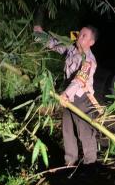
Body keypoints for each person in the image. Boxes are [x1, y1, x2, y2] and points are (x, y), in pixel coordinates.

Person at [33, 24, 99, 166]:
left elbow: (79, 80)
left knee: (85, 132)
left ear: (91, 42)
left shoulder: (89, 60)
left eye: (84, 36)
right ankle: (70, 161)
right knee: (67, 130)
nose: (79, 37)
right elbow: (56, 44)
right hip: (68, 96)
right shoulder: (71, 48)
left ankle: (91, 164)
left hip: (82, 99)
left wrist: (66, 94)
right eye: (79, 34)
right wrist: (40, 34)